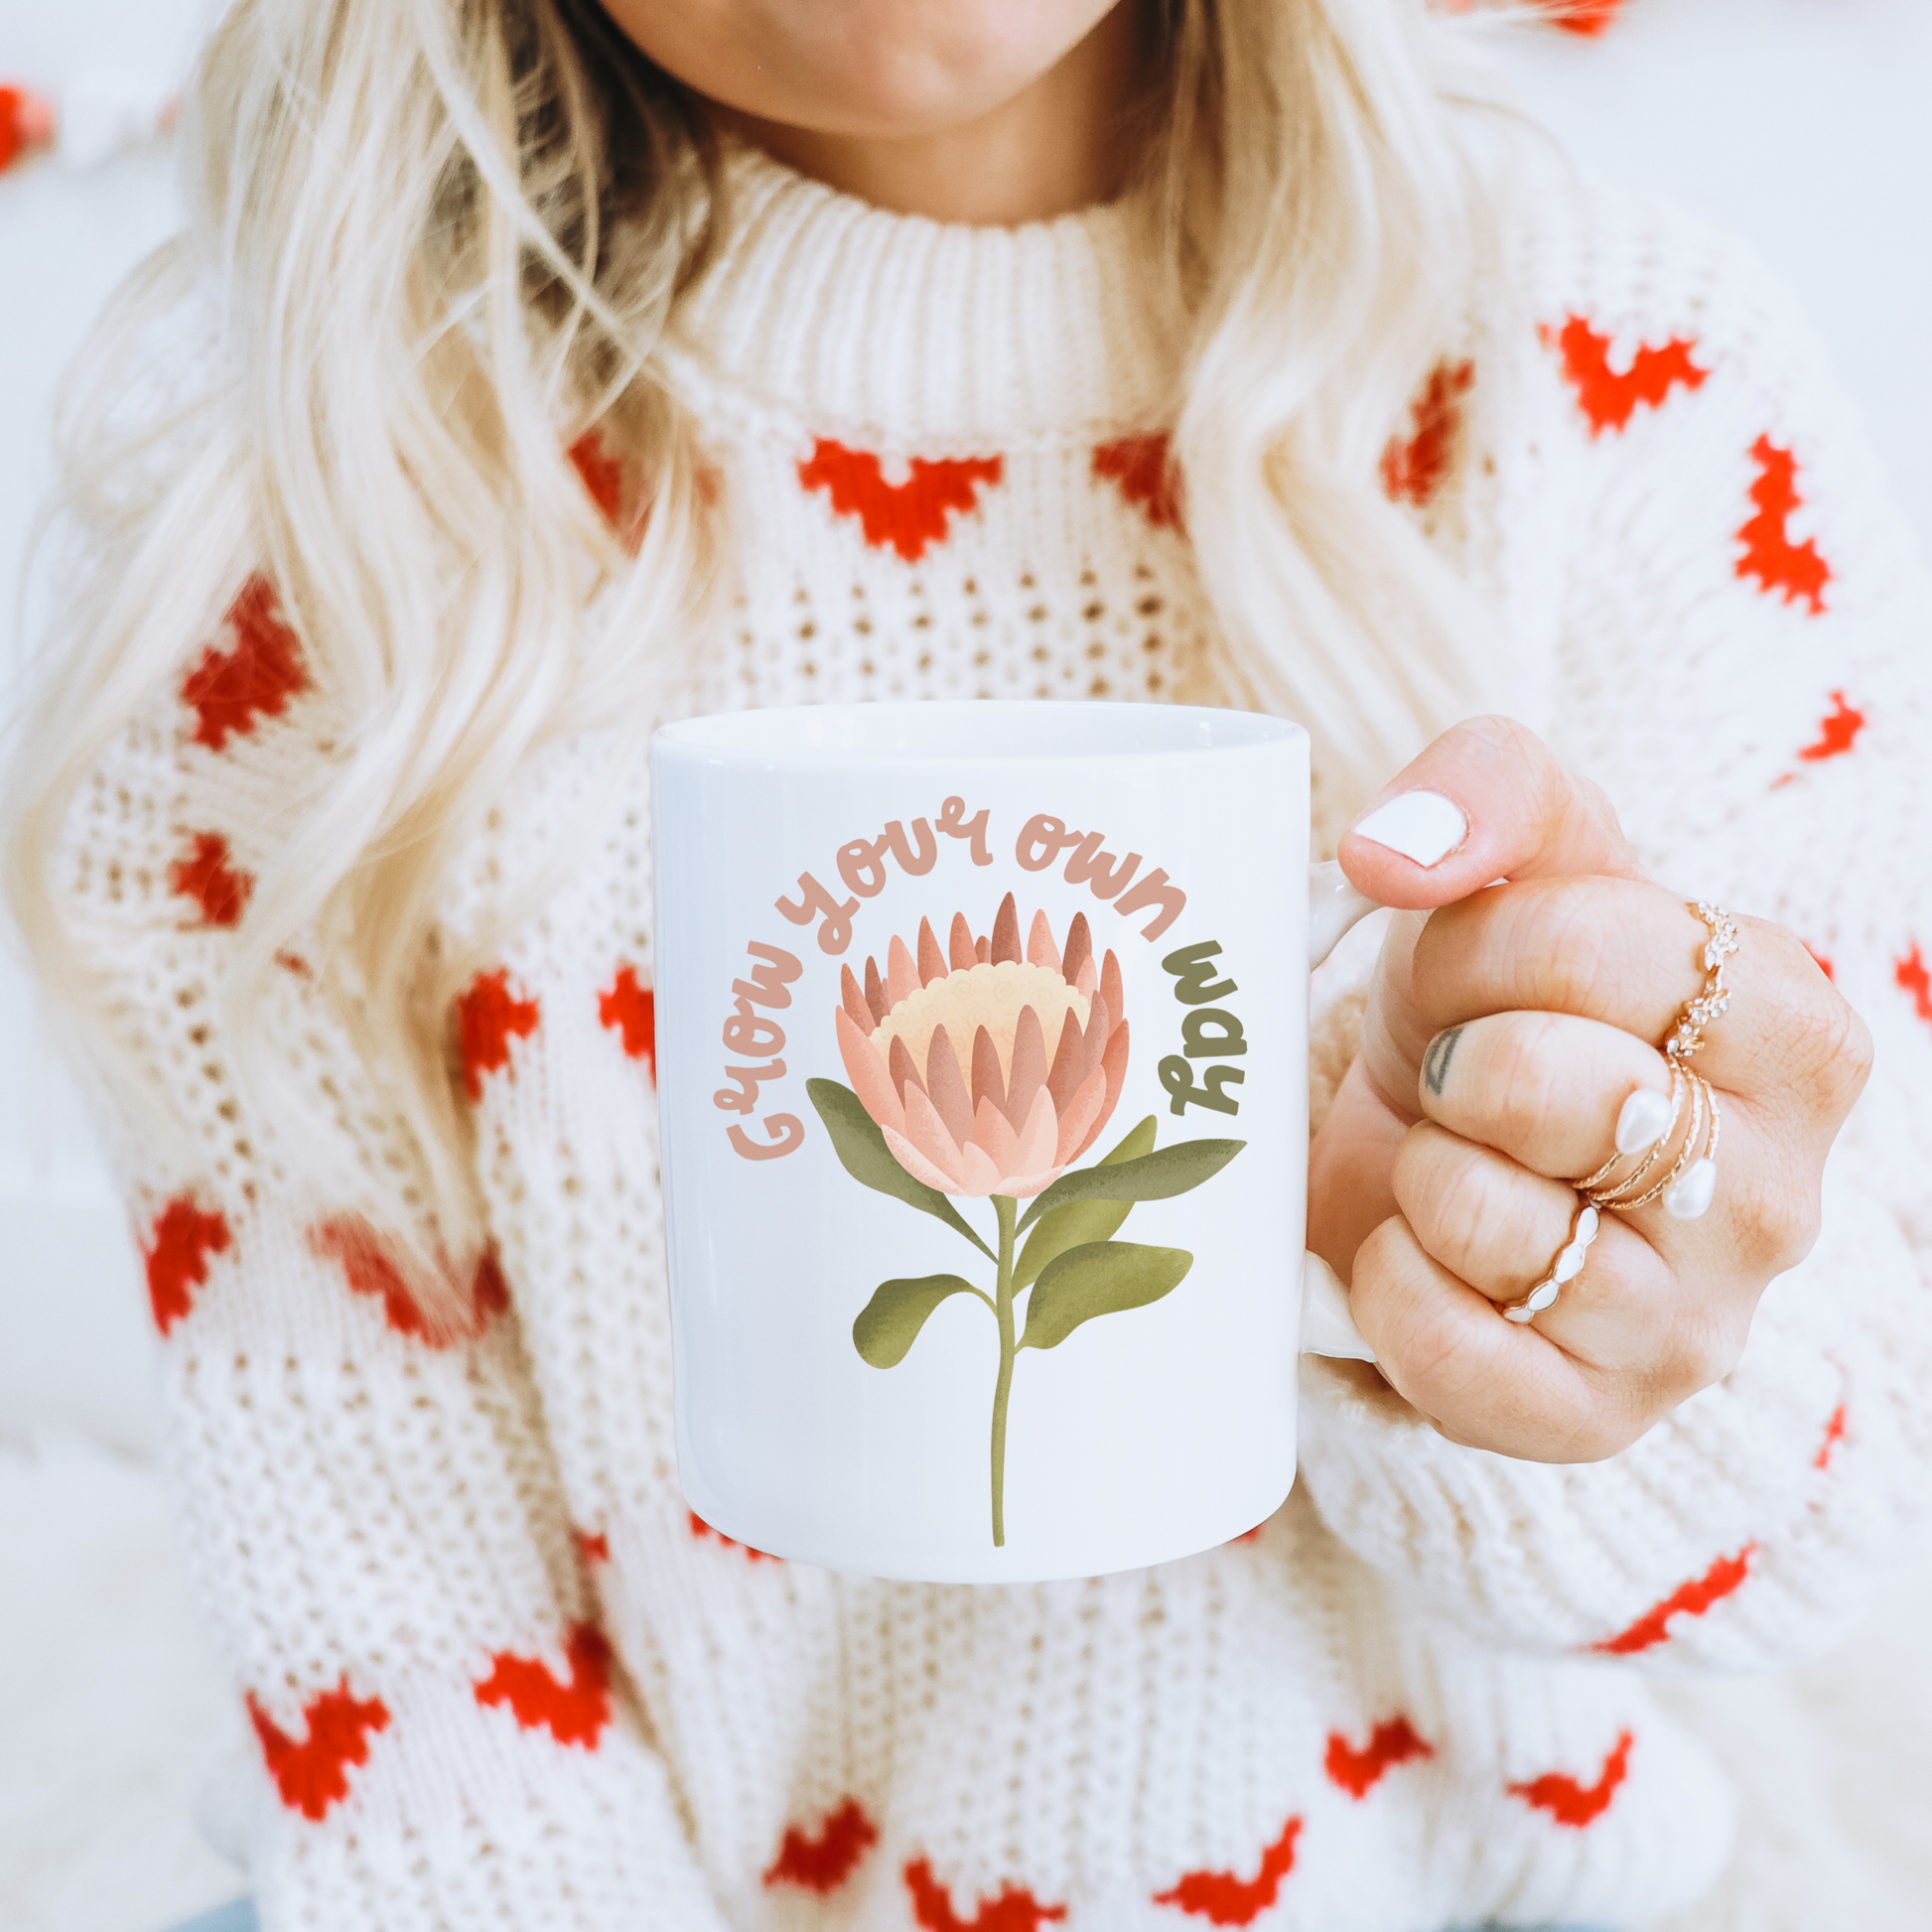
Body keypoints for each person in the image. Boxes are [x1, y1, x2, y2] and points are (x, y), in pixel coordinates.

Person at [6, 1, 1928, 1928]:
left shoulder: (1623, 379)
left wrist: (1536, 1333)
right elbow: (423, 1713)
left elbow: (1809, 1540)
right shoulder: (296, 528)